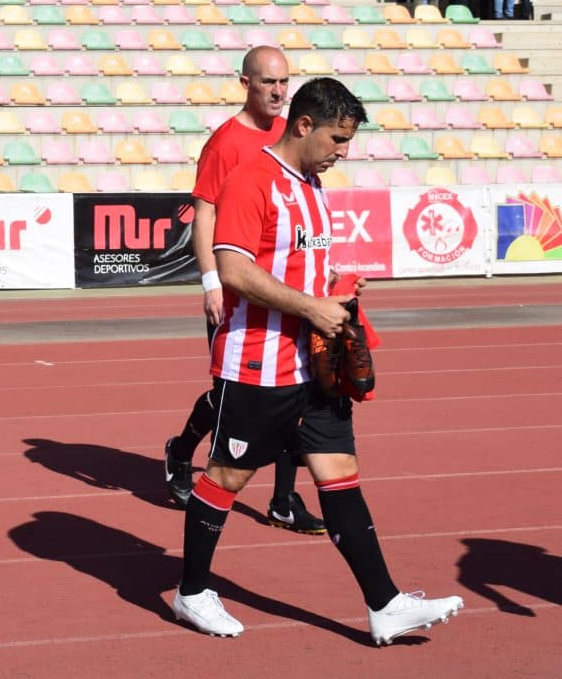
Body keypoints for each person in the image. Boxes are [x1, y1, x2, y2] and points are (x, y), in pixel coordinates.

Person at [172, 76, 464, 645]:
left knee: (340, 476)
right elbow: (232, 269)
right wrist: (312, 306)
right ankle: (191, 591)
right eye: (336, 138)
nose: (342, 152)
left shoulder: (310, 184)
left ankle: (384, 604)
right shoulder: (252, 180)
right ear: (304, 125)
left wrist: (336, 291)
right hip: (256, 362)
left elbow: (296, 265)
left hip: (313, 363)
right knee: (226, 478)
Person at [163, 45, 325, 532]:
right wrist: (211, 280)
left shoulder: (293, 132)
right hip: (238, 287)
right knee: (233, 396)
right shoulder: (226, 143)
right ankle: (181, 448)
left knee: (297, 393)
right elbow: (204, 214)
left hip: (285, 285)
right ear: (245, 84)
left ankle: (282, 500)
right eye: (268, 83)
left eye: (284, 82)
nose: (278, 92)